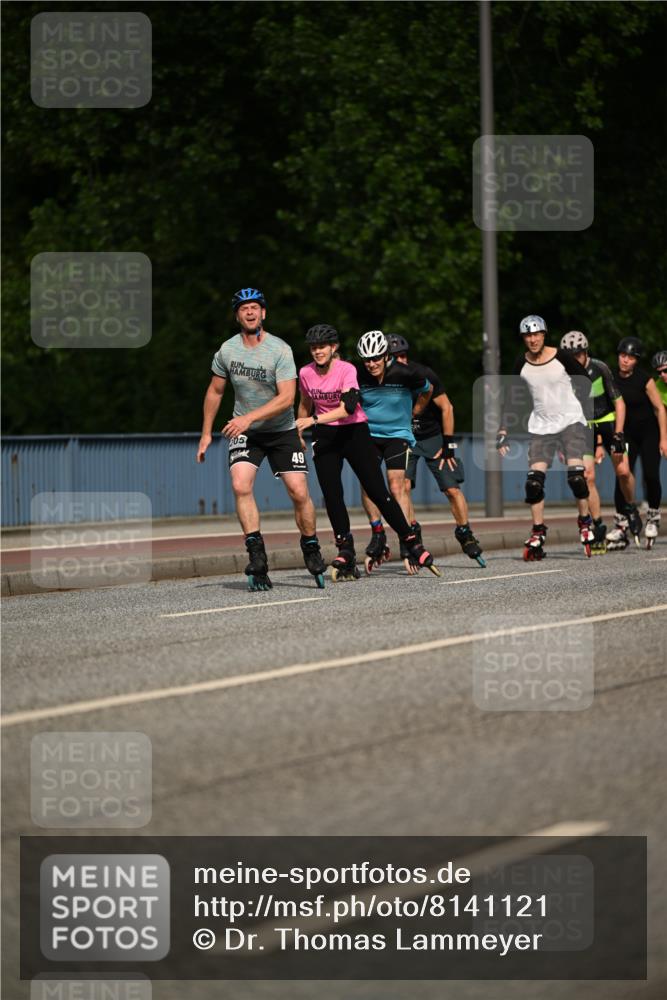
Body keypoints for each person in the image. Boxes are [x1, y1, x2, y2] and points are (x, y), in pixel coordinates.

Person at [196, 287, 326, 590]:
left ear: (263, 313)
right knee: (240, 485)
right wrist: (205, 433)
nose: (250, 312)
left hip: (281, 431)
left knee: (298, 490)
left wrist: (249, 418)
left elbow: (287, 398)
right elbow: (215, 391)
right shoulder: (227, 350)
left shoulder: (280, 349)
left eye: (255, 307)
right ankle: (257, 556)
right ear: (237, 316)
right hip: (247, 433)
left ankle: (310, 546)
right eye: (244, 308)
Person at [295, 325, 437, 579]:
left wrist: (313, 420)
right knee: (332, 494)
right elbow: (305, 402)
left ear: (334, 348)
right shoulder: (305, 372)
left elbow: (348, 408)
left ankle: (411, 541)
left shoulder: (347, 369)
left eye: (322, 347)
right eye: (314, 348)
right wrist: (299, 430)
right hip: (324, 436)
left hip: (354, 432)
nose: (318, 352)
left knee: (377, 490)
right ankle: (345, 549)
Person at [496, 315, 595, 560]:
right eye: (528, 336)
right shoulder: (521, 362)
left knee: (576, 478)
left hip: (570, 422)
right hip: (541, 426)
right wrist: (503, 430)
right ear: (523, 338)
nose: (532, 339)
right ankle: (538, 530)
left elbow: (585, 381)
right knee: (533, 482)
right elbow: (510, 396)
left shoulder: (562, 356)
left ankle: (584, 521)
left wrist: (581, 409)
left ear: (544, 334)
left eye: (536, 334)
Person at [386, 334, 485, 567]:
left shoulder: (423, 373)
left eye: (403, 355)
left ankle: (465, 532)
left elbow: (447, 408)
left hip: (432, 437)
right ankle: (411, 532)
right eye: (395, 357)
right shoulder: (384, 380)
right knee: (402, 486)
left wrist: (449, 446)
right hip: (405, 438)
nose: (401, 360)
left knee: (451, 489)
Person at [355, 330, 440, 575]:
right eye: (366, 360)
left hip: (397, 435)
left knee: (396, 485)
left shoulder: (406, 373)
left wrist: (416, 412)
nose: (371, 364)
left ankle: (407, 539)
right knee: (368, 484)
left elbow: (428, 390)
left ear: (386, 356)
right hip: (369, 435)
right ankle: (378, 533)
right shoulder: (358, 373)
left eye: (376, 359)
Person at [559, 330, 633, 553]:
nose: (575, 360)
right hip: (584, 426)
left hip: (607, 421)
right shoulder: (563, 376)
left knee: (623, 471)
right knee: (586, 477)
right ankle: (598, 525)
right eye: (570, 356)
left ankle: (630, 508)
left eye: (578, 355)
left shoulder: (599, 368)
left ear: (585, 352)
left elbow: (619, 403)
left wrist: (618, 434)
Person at [607, 338, 667, 550]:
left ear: (636, 361)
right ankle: (621, 523)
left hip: (649, 433)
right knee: (623, 475)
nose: (625, 360)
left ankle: (653, 517)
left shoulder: (645, 380)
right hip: (626, 435)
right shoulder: (610, 378)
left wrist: (663, 438)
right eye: (623, 355)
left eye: (631, 358)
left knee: (651, 475)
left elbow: (660, 409)